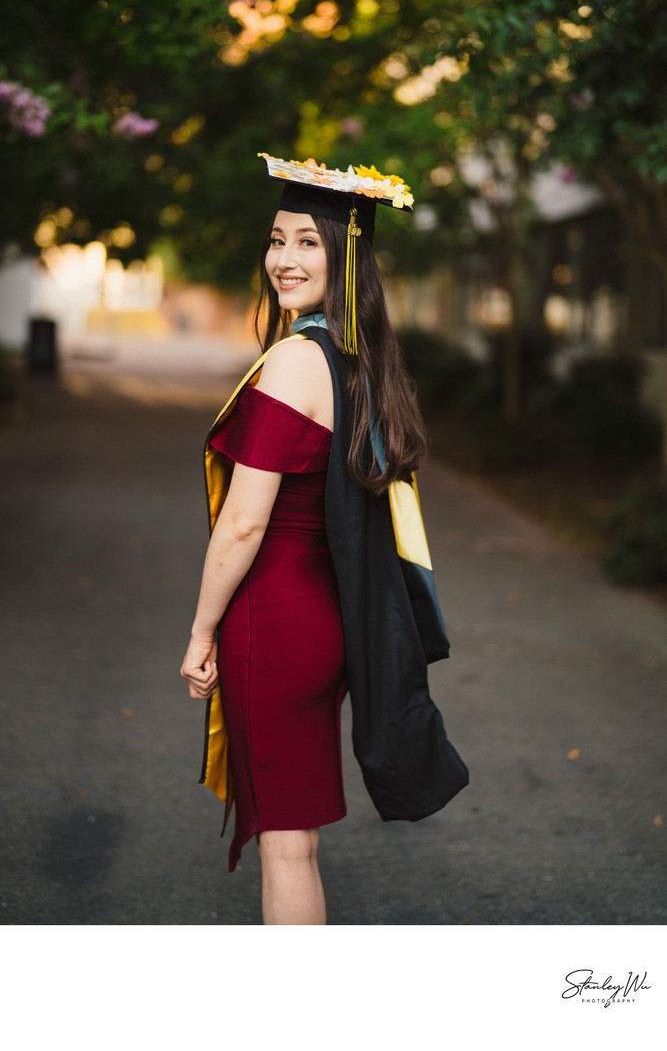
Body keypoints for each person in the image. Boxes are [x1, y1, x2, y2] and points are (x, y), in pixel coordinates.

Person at [180, 154, 469, 925]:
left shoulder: (291, 362)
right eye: (277, 240)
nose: (283, 259)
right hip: (326, 623)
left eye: (308, 242)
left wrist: (202, 630)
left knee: (284, 843)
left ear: (343, 257)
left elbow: (243, 522)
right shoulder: (357, 363)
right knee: (294, 838)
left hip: (272, 625)